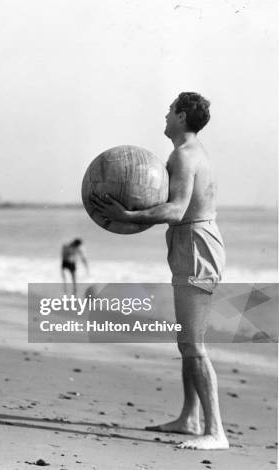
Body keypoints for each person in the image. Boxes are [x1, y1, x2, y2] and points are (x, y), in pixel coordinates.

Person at [91, 92, 228, 450]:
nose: (165, 116)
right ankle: (190, 418)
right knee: (186, 342)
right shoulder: (187, 152)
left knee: (193, 346)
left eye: (170, 110)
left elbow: (177, 210)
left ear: (182, 116)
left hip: (196, 246)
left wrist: (127, 216)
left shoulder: (184, 156)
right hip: (190, 244)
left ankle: (216, 432)